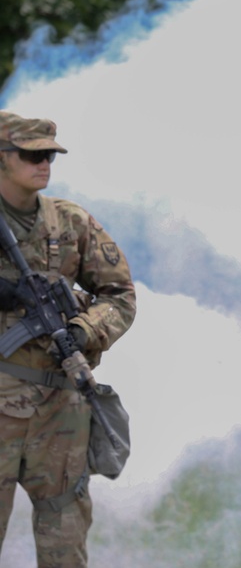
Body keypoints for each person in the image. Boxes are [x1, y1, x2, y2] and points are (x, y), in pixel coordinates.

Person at [0, 110, 136, 567]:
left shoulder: (71, 222)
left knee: (65, 545)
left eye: (50, 156)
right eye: (32, 154)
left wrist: (83, 330)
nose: (44, 164)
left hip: (60, 411)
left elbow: (120, 295)